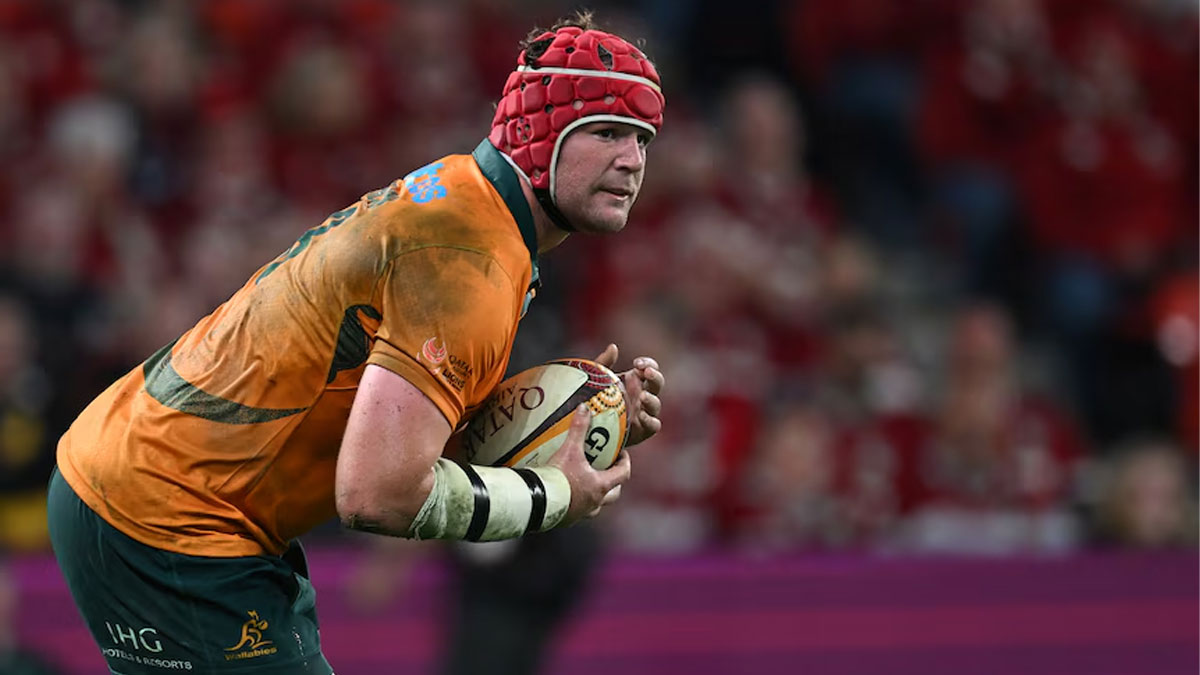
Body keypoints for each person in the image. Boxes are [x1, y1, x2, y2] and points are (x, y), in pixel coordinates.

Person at [46, 12, 666, 674]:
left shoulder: (466, 201)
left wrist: (574, 424)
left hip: (154, 481)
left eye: (642, 139)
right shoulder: (469, 261)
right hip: (165, 511)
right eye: (606, 132)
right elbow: (378, 494)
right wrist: (553, 495)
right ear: (533, 132)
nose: (632, 160)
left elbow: (398, 426)